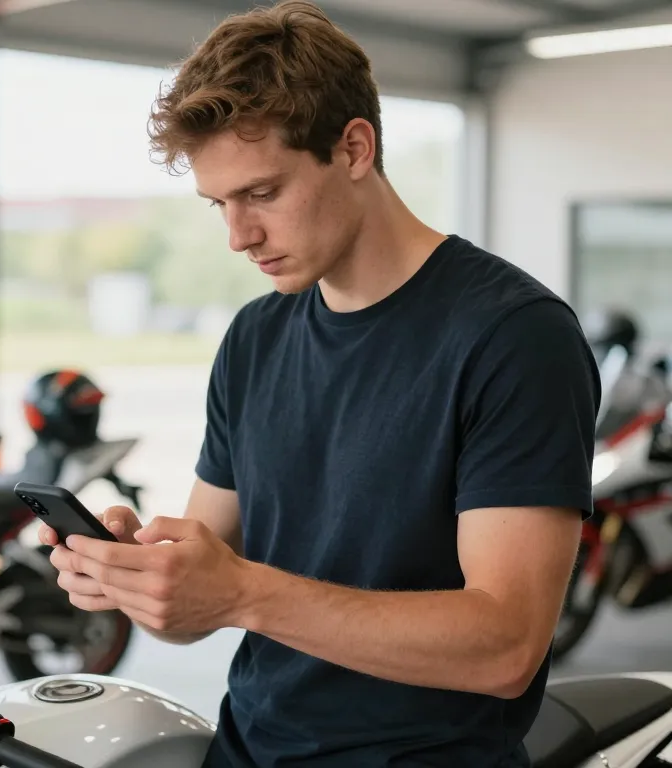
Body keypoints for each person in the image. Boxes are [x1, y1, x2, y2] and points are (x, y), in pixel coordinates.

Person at [39, 1, 601, 765]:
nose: (238, 236)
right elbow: (193, 611)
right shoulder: (255, 338)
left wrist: (242, 592)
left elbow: (504, 648)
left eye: (262, 194)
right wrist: (139, 576)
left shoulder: (513, 336)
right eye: (220, 205)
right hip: (248, 749)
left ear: (356, 147)